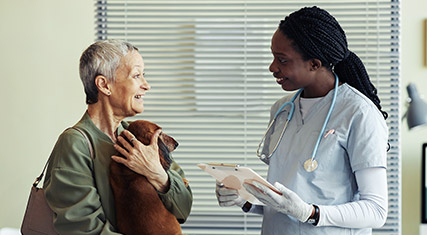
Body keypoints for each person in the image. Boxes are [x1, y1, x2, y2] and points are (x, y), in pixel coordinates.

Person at [215, 6, 389, 234]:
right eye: (272, 56)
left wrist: (310, 213)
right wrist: (244, 200)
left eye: (282, 60)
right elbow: (285, 203)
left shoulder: (359, 113)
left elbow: (376, 211)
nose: (272, 67)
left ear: (314, 64)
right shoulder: (282, 110)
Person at [43, 40, 193, 234]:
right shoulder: (74, 144)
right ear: (104, 85)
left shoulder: (141, 137)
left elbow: (184, 209)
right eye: (137, 76)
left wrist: (157, 174)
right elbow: (84, 229)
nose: (146, 85)